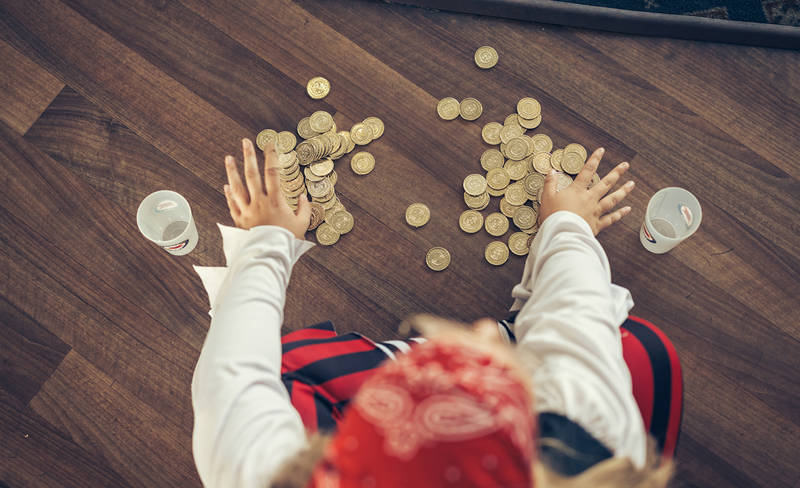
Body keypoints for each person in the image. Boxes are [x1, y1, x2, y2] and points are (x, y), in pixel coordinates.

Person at [191, 139, 682, 487]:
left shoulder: (259, 472)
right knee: (645, 352)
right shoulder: (598, 432)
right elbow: (576, 310)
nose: (485, 329)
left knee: (288, 363)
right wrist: (567, 223)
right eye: (491, 354)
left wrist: (268, 238)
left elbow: (230, 371)